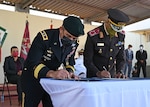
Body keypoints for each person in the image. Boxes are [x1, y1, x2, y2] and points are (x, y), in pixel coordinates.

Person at [21, 16, 84, 107]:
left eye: (74, 38)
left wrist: (70, 72)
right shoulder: (43, 38)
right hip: (33, 78)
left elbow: (69, 61)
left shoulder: (73, 44)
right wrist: (52, 73)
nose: (71, 40)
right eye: (68, 36)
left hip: (51, 82)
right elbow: (33, 62)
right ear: (61, 29)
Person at [84, 8, 129, 78]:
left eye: (118, 29)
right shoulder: (93, 36)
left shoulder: (120, 36)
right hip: (94, 76)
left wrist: (119, 71)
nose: (115, 32)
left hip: (111, 76)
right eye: (114, 28)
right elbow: (87, 60)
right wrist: (98, 73)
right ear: (108, 22)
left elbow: (121, 57)